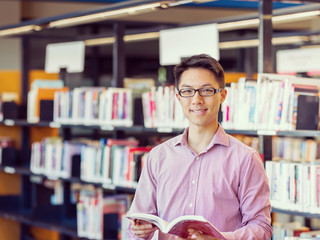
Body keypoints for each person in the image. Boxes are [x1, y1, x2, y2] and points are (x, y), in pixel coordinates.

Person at [127, 54, 273, 240]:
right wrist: (140, 230)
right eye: (187, 91)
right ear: (178, 97)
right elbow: (134, 228)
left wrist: (222, 239)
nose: (196, 100)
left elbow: (261, 228)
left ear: (222, 95)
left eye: (206, 90)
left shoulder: (246, 159)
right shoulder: (158, 157)